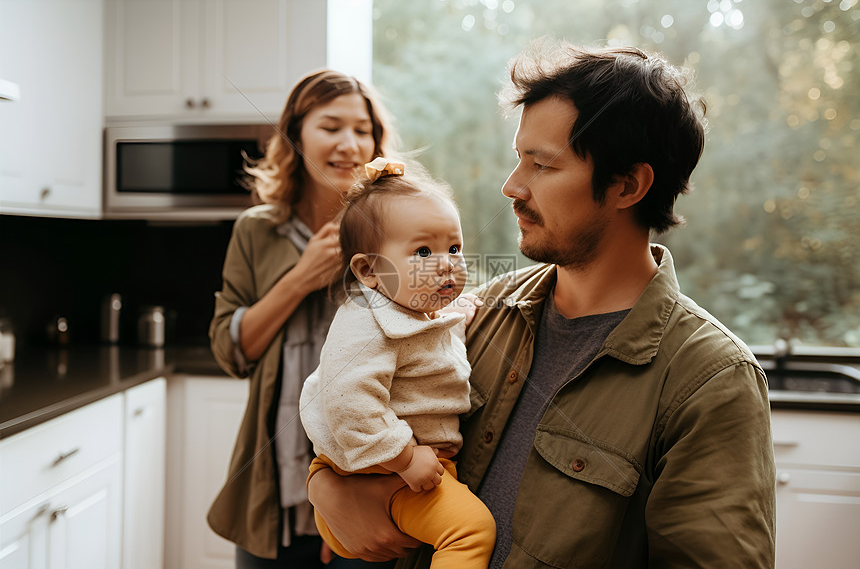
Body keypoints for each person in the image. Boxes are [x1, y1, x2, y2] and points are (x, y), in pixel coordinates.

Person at [307, 41, 777, 568]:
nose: (512, 186)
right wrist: (325, 484)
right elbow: (352, 404)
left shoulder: (711, 380)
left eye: (542, 165)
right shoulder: (476, 313)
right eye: (518, 159)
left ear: (627, 185)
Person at [208, 69, 401, 568]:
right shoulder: (256, 231)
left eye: (363, 130)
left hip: (370, 485)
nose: (350, 144)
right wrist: (300, 278)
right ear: (296, 136)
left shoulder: (393, 229)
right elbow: (232, 351)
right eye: (331, 126)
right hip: (272, 489)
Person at [299, 159, 496, 569]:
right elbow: (348, 399)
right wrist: (404, 458)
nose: (446, 263)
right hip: (381, 468)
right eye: (424, 251)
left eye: (454, 248)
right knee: (471, 531)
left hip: (391, 466)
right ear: (369, 270)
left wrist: (455, 316)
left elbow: (424, 350)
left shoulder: (414, 308)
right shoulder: (363, 323)